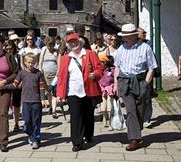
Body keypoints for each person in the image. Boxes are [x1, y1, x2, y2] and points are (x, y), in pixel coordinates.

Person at [114, 23, 157, 151]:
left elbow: (152, 68)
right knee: (131, 110)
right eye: (123, 35)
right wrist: (116, 84)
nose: (123, 38)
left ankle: (136, 132)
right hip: (125, 82)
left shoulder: (145, 48)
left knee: (139, 110)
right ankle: (134, 139)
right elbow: (117, 67)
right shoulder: (121, 49)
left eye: (126, 36)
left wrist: (145, 84)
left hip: (140, 82)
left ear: (133, 36)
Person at [56, 33, 104, 152]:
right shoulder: (65, 58)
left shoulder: (90, 54)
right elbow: (61, 77)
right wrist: (60, 94)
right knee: (76, 116)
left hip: (89, 90)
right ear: (68, 45)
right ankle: (77, 142)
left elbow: (100, 68)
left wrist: (95, 74)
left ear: (80, 42)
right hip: (72, 91)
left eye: (75, 41)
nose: (73, 44)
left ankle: (88, 134)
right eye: (71, 42)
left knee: (88, 115)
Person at [3, 53, 47, 149]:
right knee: (27, 121)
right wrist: (4, 87)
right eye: (29, 62)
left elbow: (42, 87)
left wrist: (43, 100)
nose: (31, 64)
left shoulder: (38, 73)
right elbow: (15, 85)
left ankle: (35, 139)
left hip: (36, 101)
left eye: (33, 62)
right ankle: (31, 134)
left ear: (35, 62)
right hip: (26, 101)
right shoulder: (22, 73)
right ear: (25, 62)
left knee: (36, 122)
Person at [4, 39, 22, 132]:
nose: (8, 50)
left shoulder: (18, 57)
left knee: (16, 103)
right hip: (6, 82)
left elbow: (21, 69)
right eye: (7, 48)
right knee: (5, 103)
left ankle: (16, 123)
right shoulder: (2, 57)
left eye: (10, 48)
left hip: (16, 82)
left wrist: (21, 81)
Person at [39, 36, 58, 118]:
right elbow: (40, 62)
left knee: (54, 92)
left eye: (51, 45)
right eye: (48, 45)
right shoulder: (44, 50)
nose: (49, 47)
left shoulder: (56, 52)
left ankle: (54, 110)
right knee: (48, 93)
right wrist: (40, 71)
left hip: (54, 74)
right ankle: (51, 106)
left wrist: (58, 74)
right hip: (45, 74)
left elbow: (59, 63)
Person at [98, 55, 115, 129]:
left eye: (101, 62)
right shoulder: (100, 70)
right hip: (102, 89)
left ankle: (111, 123)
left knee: (109, 108)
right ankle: (105, 118)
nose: (100, 64)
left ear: (105, 62)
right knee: (103, 108)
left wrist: (114, 86)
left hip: (110, 89)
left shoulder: (112, 70)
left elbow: (115, 78)